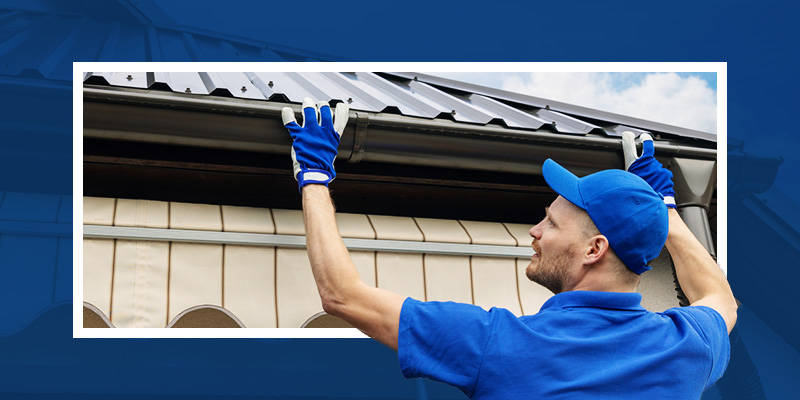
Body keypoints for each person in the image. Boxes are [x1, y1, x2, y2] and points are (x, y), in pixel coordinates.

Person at [282, 97, 737, 399]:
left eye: (551, 222)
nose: (534, 231)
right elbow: (720, 299)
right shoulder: (685, 347)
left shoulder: (502, 347)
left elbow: (342, 295)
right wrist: (665, 213)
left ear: (595, 249)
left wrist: (315, 176)